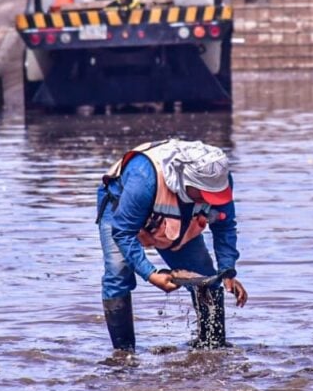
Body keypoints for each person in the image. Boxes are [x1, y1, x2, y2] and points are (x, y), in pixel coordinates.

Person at [97, 139, 247, 353]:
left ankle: (213, 350)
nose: (210, 199)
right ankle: (123, 356)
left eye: (214, 195)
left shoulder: (219, 177)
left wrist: (227, 270)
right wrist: (150, 274)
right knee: (118, 276)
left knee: (206, 280)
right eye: (205, 194)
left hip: (176, 219)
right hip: (121, 210)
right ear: (186, 181)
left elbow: (224, 226)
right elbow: (123, 232)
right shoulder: (144, 178)